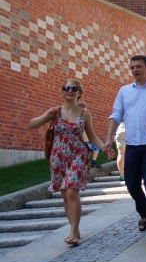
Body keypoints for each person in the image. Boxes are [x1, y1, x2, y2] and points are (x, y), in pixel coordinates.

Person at [28, 79, 106, 246]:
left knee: (71, 192)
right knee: (65, 195)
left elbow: (92, 137)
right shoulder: (55, 112)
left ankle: (73, 231)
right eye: (66, 88)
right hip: (58, 157)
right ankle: (74, 229)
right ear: (62, 91)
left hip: (78, 155)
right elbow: (32, 125)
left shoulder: (84, 114)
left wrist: (104, 147)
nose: (70, 90)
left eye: (74, 88)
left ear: (79, 93)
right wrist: (46, 115)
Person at [106, 55, 146, 242]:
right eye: (132, 67)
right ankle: (144, 214)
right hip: (132, 145)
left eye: (139, 66)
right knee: (131, 185)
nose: (135, 70)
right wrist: (108, 138)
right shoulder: (124, 91)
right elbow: (116, 114)